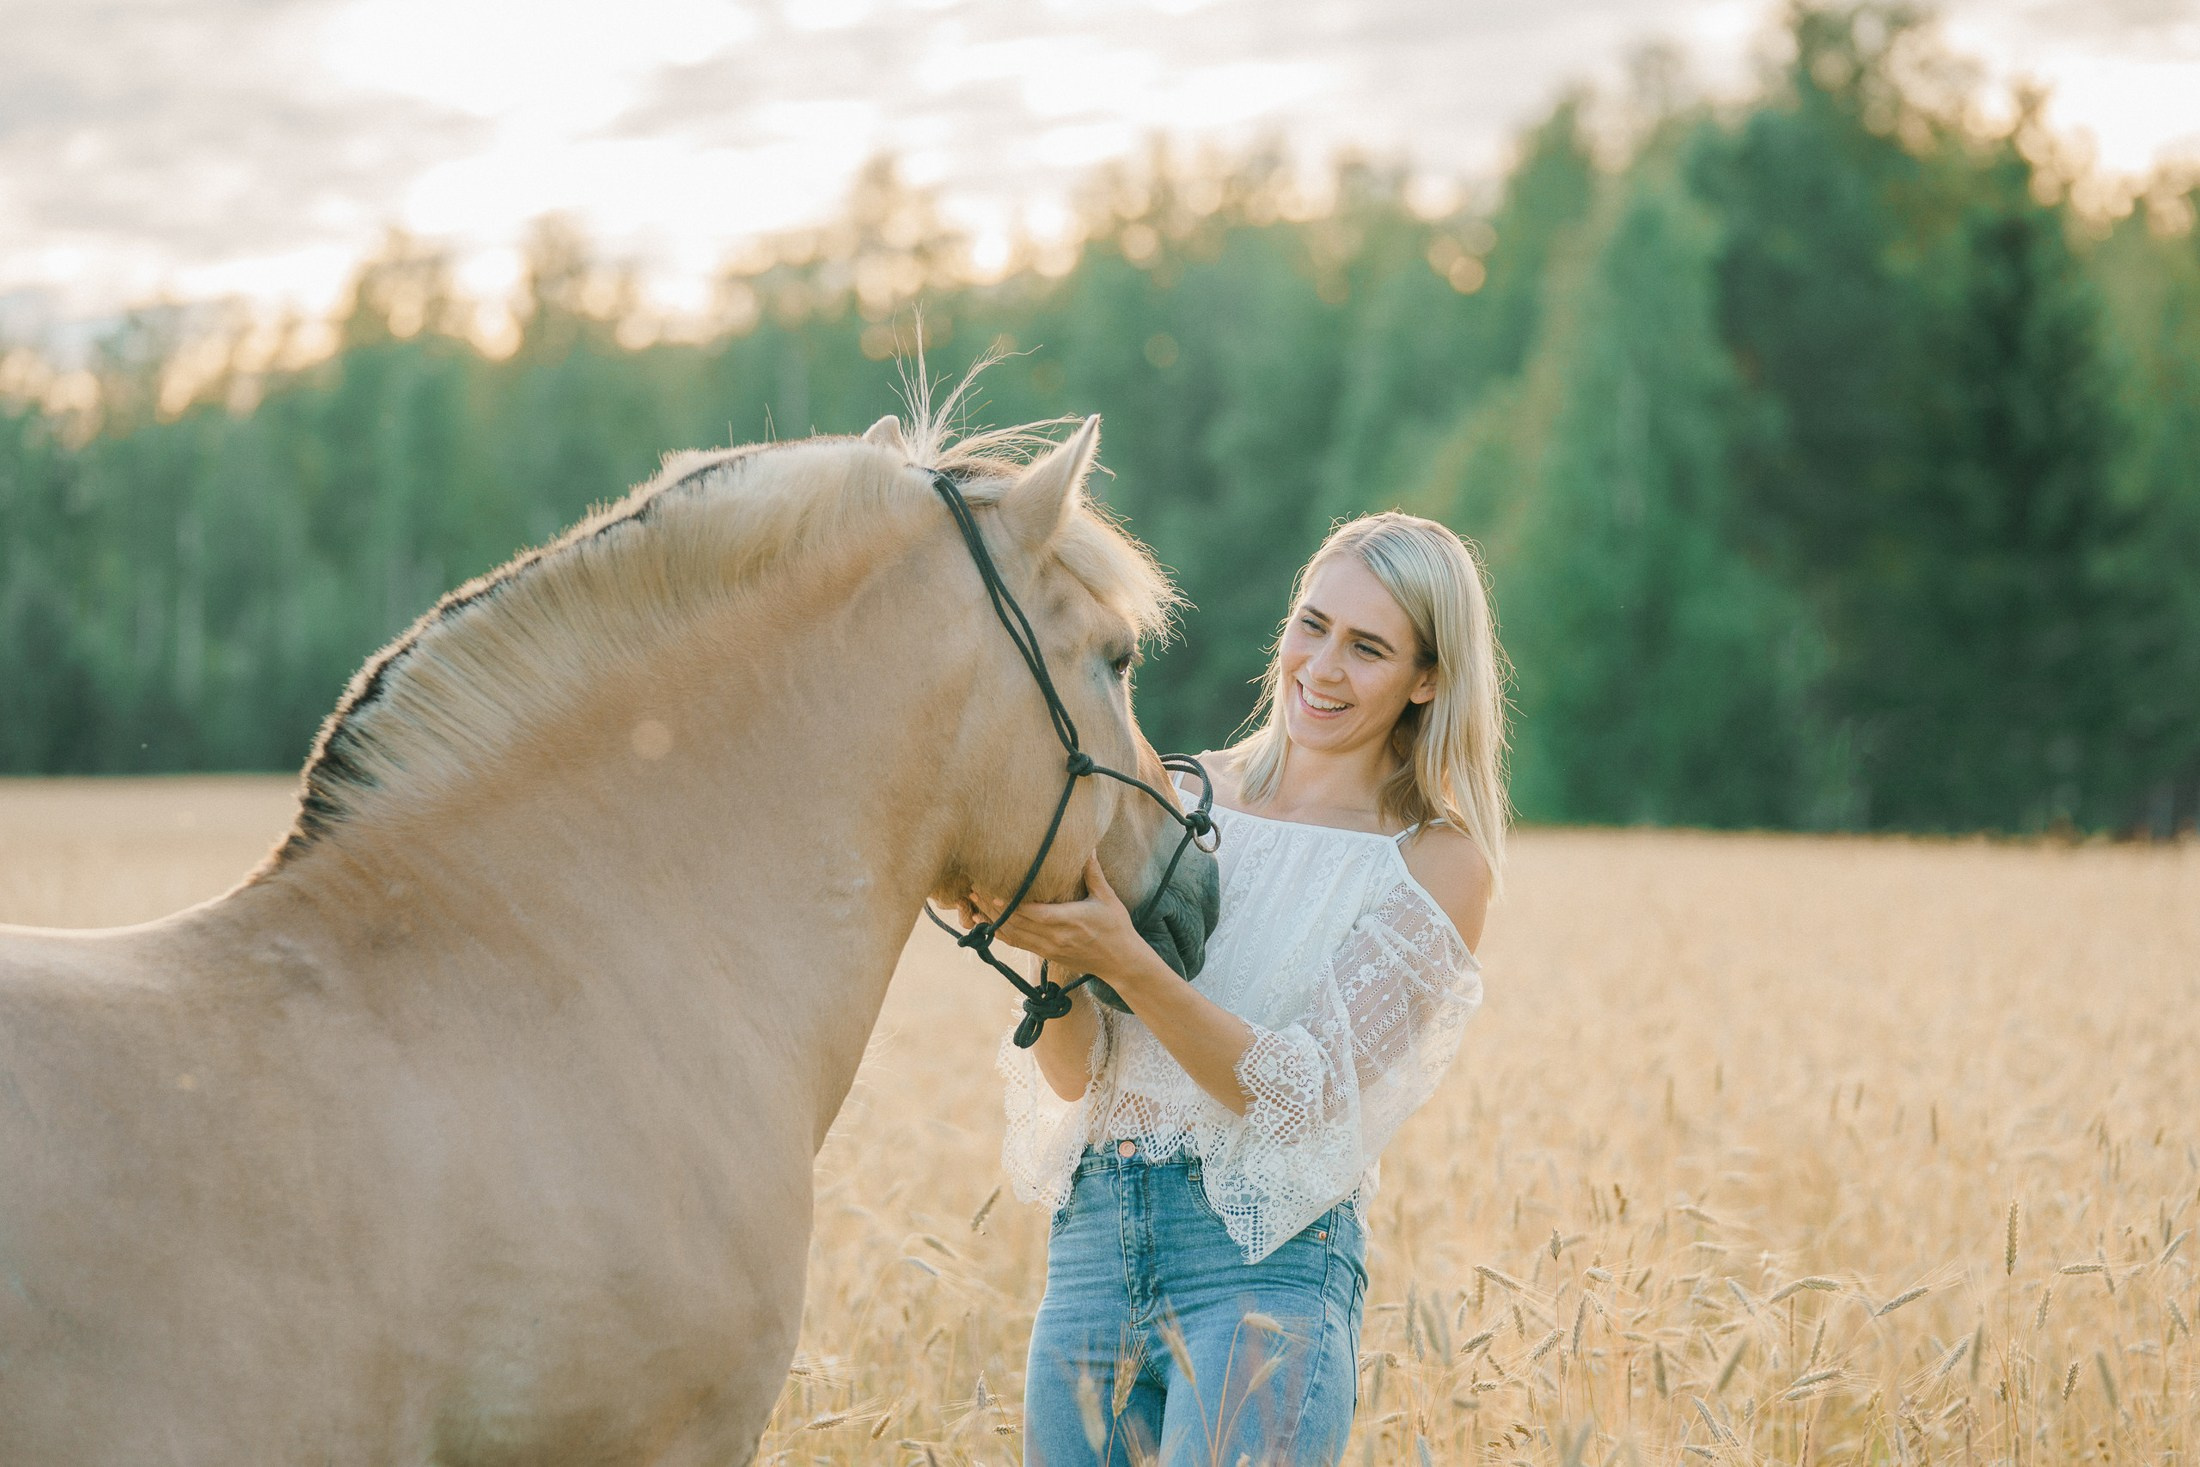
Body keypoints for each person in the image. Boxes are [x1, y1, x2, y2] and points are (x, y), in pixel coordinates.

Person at [969, 511, 1509, 1466]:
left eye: (1369, 647)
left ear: (1428, 679)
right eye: (1313, 625)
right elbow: (1075, 1075)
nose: (1323, 667)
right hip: (1092, 1254)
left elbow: (1299, 1098)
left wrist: (1127, 959)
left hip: (1259, 1278)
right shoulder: (1171, 796)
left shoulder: (1434, 861)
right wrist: (1058, 947)